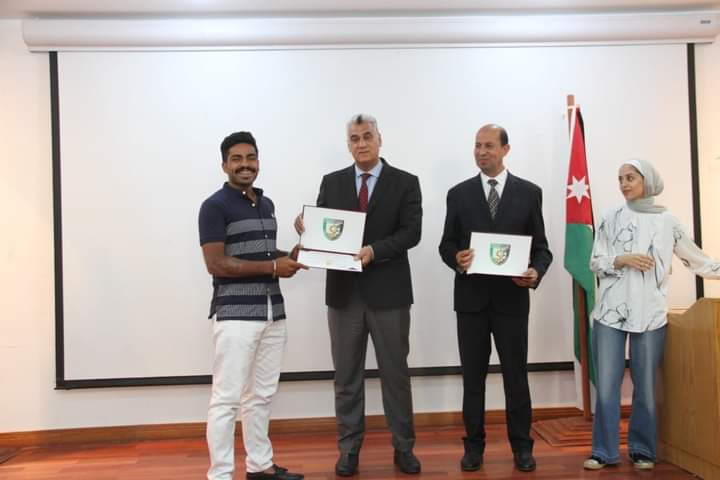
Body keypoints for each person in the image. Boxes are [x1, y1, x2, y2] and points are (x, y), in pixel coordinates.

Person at [294, 114, 423, 476]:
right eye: (355, 138)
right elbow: (324, 235)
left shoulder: (406, 182)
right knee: (346, 377)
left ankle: (404, 447)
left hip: (389, 294)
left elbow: (411, 232)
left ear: (380, 139)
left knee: (395, 376)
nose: (362, 143)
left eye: (367, 136)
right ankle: (349, 449)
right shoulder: (331, 182)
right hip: (343, 295)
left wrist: (374, 250)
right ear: (348, 144)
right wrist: (306, 229)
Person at [583, 159, 720, 471]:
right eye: (620, 179)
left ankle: (643, 450)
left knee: (645, 387)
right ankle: (603, 452)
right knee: (607, 387)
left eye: (630, 178)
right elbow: (595, 262)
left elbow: (698, 261)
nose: (624, 184)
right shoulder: (609, 217)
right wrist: (622, 259)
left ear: (648, 180)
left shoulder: (668, 221)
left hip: (650, 315)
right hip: (610, 314)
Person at [438, 124, 553, 473]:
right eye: (477, 146)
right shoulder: (458, 194)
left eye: (489, 146)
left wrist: (535, 272)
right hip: (470, 302)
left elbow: (542, 249)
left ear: (506, 149)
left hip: (512, 302)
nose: (481, 152)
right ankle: (473, 447)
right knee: (472, 380)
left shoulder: (529, 193)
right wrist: (456, 258)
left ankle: (522, 447)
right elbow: (446, 244)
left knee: (516, 379)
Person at [199, 131, 307, 480]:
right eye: (237, 159)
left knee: (261, 396)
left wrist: (294, 254)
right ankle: (220, 475)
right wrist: (274, 266)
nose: (245, 165)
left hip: (273, 313)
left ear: (258, 161)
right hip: (236, 316)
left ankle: (260, 466)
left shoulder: (266, 204)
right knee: (226, 400)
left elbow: (264, 255)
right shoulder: (214, 206)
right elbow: (216, 263)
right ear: (224, 165)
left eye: (251, 157)